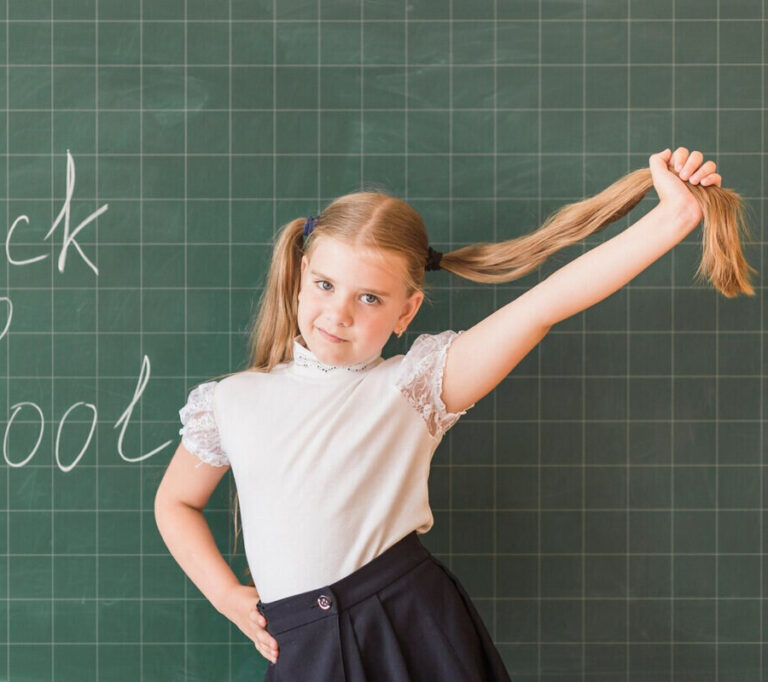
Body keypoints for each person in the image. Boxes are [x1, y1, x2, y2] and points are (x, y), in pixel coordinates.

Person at [154, 147, 730, 681]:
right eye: (326, 285)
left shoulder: (415, 385)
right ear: (299, 277)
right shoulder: (228, 400)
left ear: (406, 312)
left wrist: (674, 218)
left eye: (369, 298)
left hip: (411, 627)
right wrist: (228, 596)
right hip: (301, 645)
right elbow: (176, 502)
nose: (340, 313)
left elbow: (543, 306)